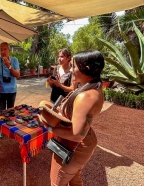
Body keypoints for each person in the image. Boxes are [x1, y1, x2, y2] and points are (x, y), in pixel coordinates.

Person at [39, 50, 105, 186]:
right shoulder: (95, 87)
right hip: (85, 139)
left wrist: (49, 127)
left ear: (86, 69)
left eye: (74, 66)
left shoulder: (85, 96)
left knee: (57, 182)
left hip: (75, 145)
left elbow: (76, 135)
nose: (73, 70)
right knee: (74, 179)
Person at [0, 42, 20, 138]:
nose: (3, 51)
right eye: (1, 49)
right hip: (1, 90)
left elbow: (17, 75)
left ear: (9, 50)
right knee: (2, 111)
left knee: (11, 110)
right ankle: (1, 130)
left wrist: (9, 66)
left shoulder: (14, 60)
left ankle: (10, 128)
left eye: (5, 49)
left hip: (12, 90)